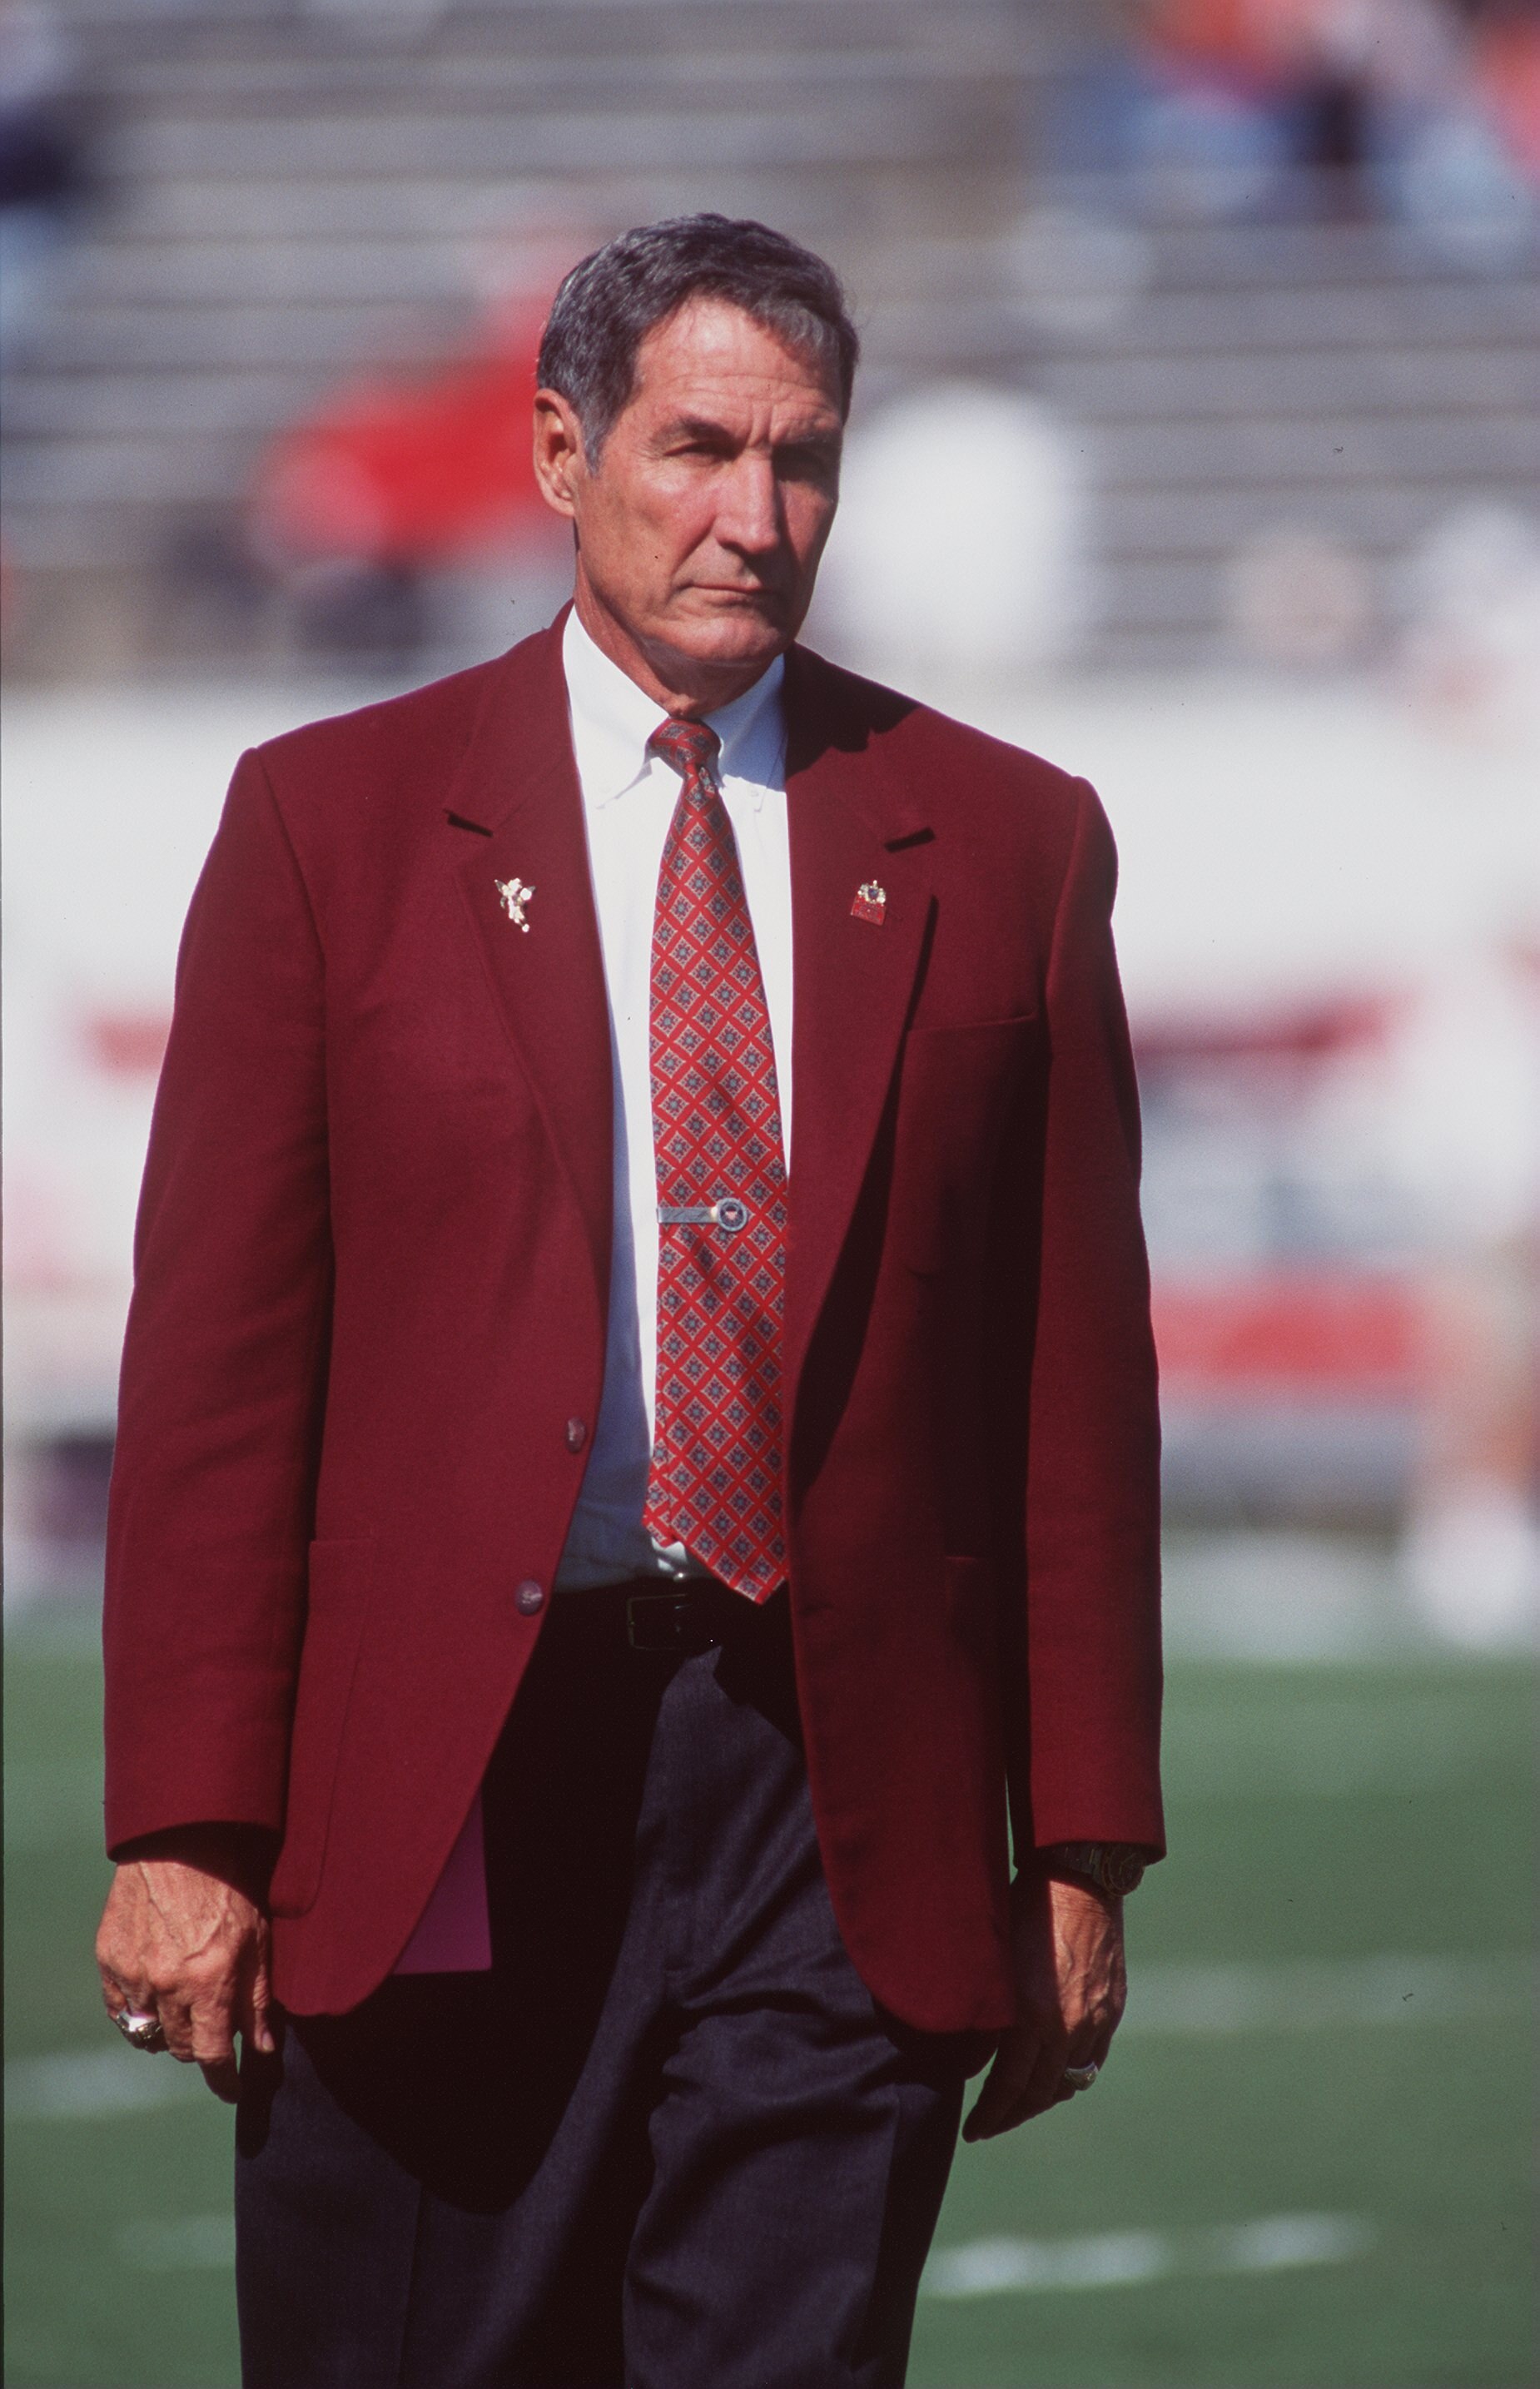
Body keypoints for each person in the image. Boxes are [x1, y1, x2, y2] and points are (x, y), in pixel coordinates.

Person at [95, 213, 1164, 2389]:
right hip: (450, 1782)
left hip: (830, 1788)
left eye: (802, 462)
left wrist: (1078, 1845)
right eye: (694, 450)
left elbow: (1067, 1383)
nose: (752, 520)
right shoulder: (331, 825)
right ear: (561, 448)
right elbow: (218, 1374)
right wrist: (185, 1830)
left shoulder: (1006, 835)